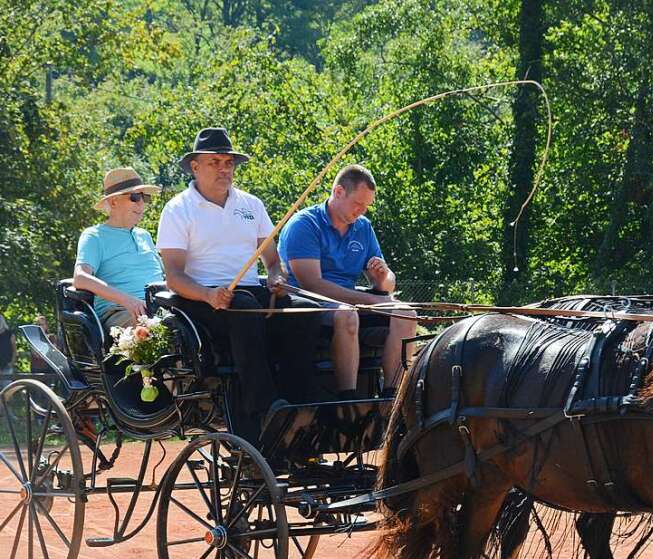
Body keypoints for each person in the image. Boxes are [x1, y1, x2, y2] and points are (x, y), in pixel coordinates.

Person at [156, 127, 320, 445]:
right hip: (199, 299)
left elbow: (272, 261)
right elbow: (174, 276)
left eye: (228, 162)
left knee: (306, 311)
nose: (223, 169)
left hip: (247, 292)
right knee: (244, 308)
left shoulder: (251, 205)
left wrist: (276, 278)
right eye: (215, 161)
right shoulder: (178, 209)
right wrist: (208, 294)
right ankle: (263, 405)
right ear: (195, 166)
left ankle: (301, 402)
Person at [278, 164, 416, 400]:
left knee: (406, 313)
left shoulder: (363, 227)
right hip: (309, 305)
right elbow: (312, 285)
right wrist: (373, 299)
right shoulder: (304, 225)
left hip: (354, 302)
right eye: (357, 204)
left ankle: (393, 397)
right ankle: (348, 399)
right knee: (347, 315)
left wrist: (382, 278)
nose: (361, 211)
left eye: (366, 206)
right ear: (339, 192)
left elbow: (387, 283)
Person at [73, 167, 165, 329]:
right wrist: (128, 300)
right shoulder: (94, 236)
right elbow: (80, 278)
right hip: (121, 312)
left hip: (160, 307)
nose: (141, 203)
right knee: (164, 331)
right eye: (135, 197)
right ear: (113, 201)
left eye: (144, 197)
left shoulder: (145, 236)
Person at [0, 312, 15, 385]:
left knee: (7, 389)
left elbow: (14, 350)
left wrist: (12, 362)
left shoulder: (9, 334)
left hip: (6, 365)